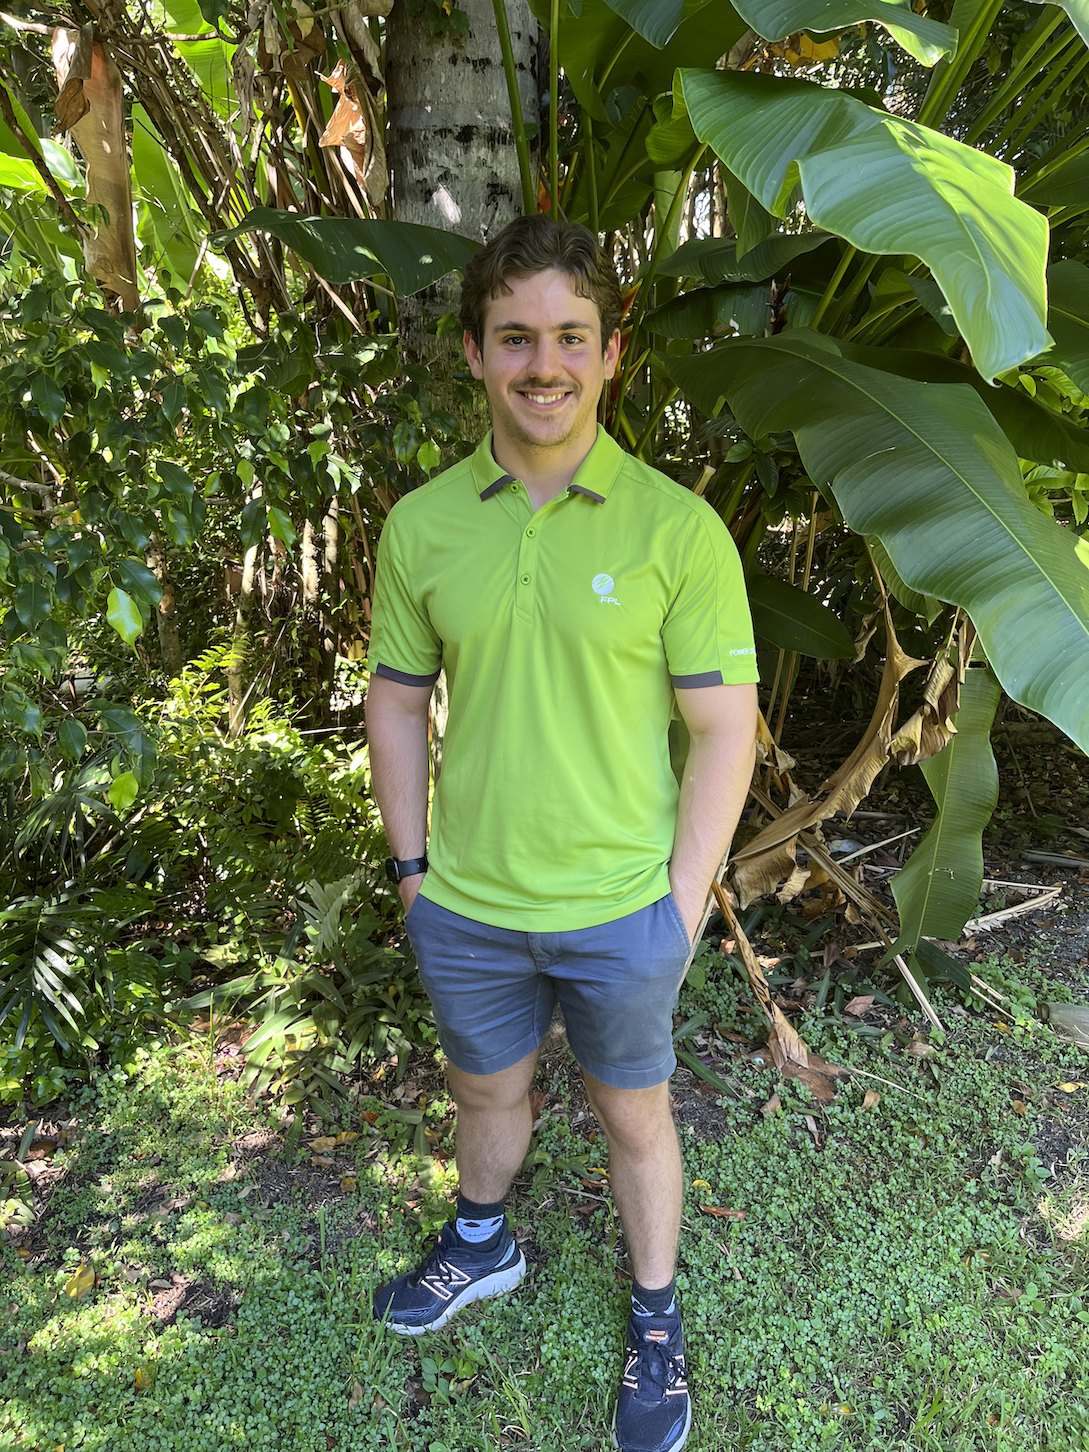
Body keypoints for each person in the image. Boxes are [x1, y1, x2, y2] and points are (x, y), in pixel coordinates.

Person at [365, 214, 758, 1452]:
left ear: (611, 353)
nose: (546, 364)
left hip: (618, 907)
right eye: (518, 336)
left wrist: (683, 902)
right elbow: (394, 694)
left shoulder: (674, 531)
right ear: (477, 353)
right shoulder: (424, 525)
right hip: (471, 902)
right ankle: (482, 1243)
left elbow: (724, 730)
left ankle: (655, 1315)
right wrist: (416, 871)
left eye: (570, 338)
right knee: (484, 1087)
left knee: (633, 1114)